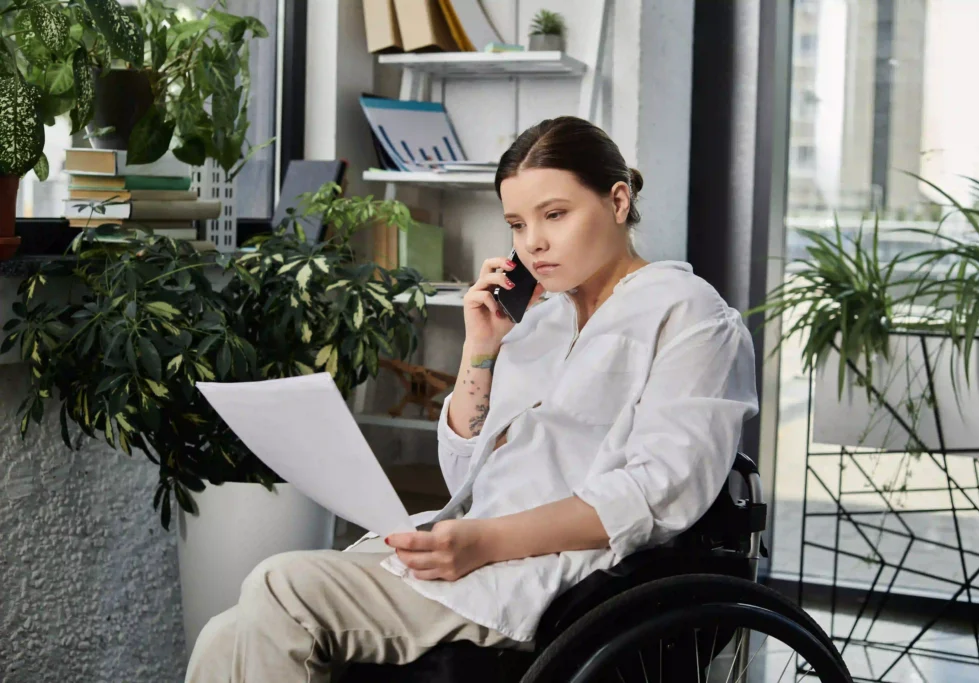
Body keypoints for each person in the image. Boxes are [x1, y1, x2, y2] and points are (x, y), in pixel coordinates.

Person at [184, 115, 759, 682]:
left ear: (616, 201)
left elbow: (659, 492)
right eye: (516, 224)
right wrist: (480, 348)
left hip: (557, 575)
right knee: (223, 634)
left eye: (554, 215)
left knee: (280, 586)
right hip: (468, 545)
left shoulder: (689, 312)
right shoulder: (541, 321)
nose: (533, 243)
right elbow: (465, 472)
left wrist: (486, 542)